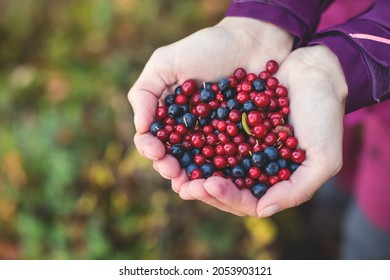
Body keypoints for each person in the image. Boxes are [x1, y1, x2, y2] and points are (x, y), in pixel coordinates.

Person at [128, 0, 390, 257]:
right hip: (324, 44)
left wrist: (352, 61)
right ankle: (322, 226)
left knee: (372, 234)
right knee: (329, 183)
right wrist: (266, 14)